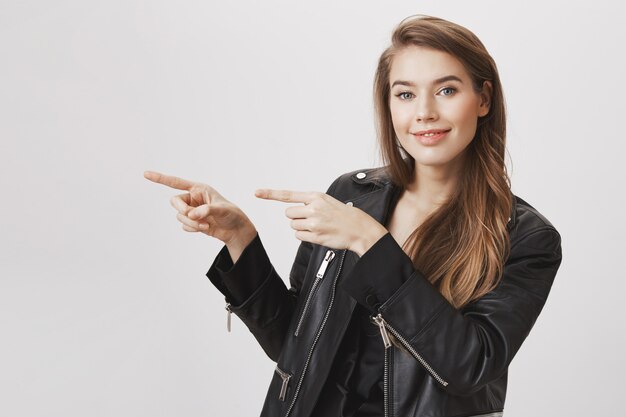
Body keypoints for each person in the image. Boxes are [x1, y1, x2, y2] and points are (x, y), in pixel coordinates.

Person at [144, 14, 562, 417]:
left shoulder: (524, 237)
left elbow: (469, 366)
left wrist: (372, 243)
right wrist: (240, 239)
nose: (424, 112)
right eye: (405, 94)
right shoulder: (351, 195)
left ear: (484, 98)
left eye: (447, 90)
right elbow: (296, 343)